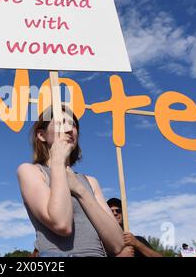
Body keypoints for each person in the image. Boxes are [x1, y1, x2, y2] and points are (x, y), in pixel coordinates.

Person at [18, 105, 124, 257]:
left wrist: (79, 189)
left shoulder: (90, 181)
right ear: (41, 135)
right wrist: (57, 164)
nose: (70, 129)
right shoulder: (30, 171)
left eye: (73, 125)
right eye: (60, 123)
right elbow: (61, 224)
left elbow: (118, 244)